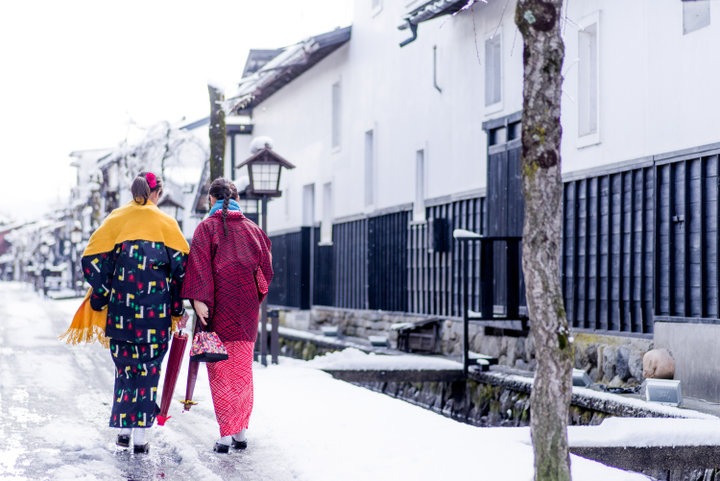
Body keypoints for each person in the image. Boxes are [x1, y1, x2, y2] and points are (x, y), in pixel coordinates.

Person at [80, 171, 189, 453]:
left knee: (125, 372)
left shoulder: (115, 220)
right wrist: (176, 307)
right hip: (155, 315)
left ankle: (123, 433)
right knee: (149, 371)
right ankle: (141, 436)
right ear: (157, 194)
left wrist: (101, 295)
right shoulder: (167, 224)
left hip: (121, 314)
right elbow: (182, 273)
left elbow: (92, 260)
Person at [182, 177, 273, 453]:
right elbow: (265, 275)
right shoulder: (254, 230)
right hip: (245, 313)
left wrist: (199, 301)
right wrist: (251, 296)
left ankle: (225, 436)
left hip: (215, 312)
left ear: (211, 199)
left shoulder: (206, 229)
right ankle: (241, 432)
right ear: (237, 200)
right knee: (242, 372)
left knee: (220, 372)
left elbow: (199, 268)